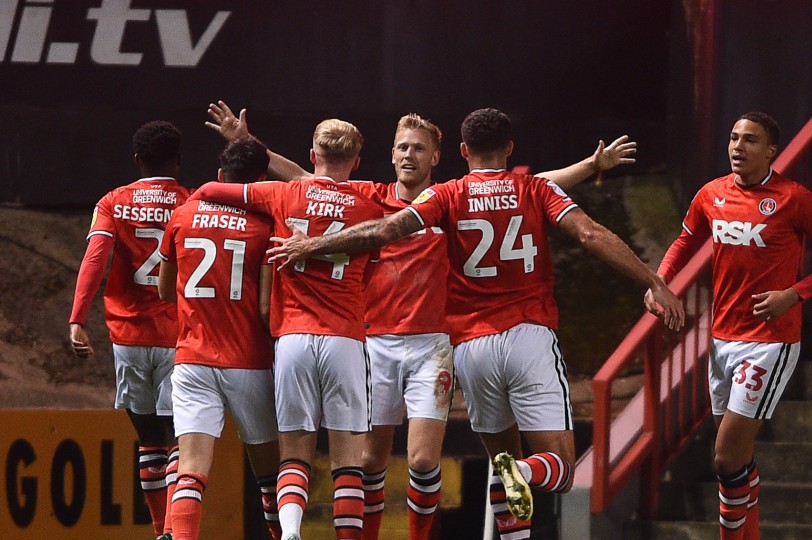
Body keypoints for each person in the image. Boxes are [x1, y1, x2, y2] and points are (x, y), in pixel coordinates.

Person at [205, 100, 640, 540]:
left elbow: (528, 185)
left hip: (433, 347)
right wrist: (246, 142)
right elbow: (306, 180)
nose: (408, 154)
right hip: (375, 343)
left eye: (418, 148)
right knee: (372, 461)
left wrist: (590, 164)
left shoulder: (451, 200)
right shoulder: (371, 198)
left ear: (436, 157)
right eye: (402, 147)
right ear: (392, 155)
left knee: (421, 461)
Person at [645, 112, 812, 539]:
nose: (738, 147)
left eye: (751, 140)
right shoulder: (711, 193)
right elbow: (685, 240)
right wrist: (660, 281)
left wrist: (793, 295)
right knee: (735, 464)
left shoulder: (795, 199)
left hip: (769, 342)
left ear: (771, 151)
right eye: (735, 138)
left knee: (724, 458)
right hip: (722, 338)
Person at [190, 119, 383, 540]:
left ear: (313, 156)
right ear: (357, 161)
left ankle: (292, 531)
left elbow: (209, 191)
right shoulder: (370, 205)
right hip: (345, 338)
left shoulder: (283, 193)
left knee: (295, 454)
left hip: (292, 338)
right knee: (348, 462)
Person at [68, 120, 190, 540]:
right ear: (177, 161)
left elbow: (95, 260)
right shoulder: (192, 202)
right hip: (179, 338)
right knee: (180, 441)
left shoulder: (113, 202)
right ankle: (176, 530)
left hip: (129, 339)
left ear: (138, 161)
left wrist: (77, 319)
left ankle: (161, 530)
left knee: (150, 440)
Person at [156, 137, 282, 540]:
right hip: (249, 360)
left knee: (191, 469)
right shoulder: (266, 225)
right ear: (260, 182)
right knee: (271, 475)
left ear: (219, 176)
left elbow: (163, 290)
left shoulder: (183, 214)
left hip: (192, 358)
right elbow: (267, 307)